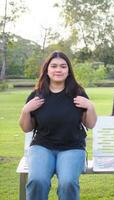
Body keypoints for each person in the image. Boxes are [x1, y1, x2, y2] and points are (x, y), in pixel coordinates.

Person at [19, 51, 97, 200]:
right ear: (47, 70)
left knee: (67, 183)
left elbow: (90, 124)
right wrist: (25, 110)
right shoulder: (37, 95)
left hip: (72, 147)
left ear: (68, 71)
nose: (58, 70)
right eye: (53, 66)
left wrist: (90, 106)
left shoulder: (78, 93)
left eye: (63, 66)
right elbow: (26, 128)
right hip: (42, 147)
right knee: (37, 181)